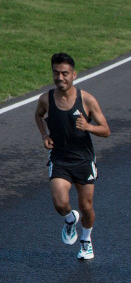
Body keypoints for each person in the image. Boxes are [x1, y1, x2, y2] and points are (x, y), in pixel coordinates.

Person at [34, 53, 111, 259]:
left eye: (65, 73)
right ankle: (69, 220)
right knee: (60, 203)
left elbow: (106, 130)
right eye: (56, 73)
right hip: (59, 159)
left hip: (83, 161)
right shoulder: (46, 99)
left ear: (74, 74)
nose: (60, 78)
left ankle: (86, 241)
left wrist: (88, 127)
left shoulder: (86, 100)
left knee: (86, 208)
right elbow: (38, 115)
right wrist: (44, 135)